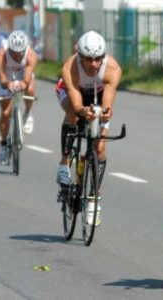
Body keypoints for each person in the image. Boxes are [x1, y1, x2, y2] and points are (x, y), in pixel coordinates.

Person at [54, 31, 122, 226]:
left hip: (98, 94)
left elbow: (107, 103)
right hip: (73, 92)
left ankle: (93, 198)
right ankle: (65, 161)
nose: (93, 64)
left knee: (99, 148)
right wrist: (83, 111)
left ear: (104, 56)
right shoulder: (70, 67)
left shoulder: (112, 69)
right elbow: (77, 105)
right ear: (80, 56)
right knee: (73, 115)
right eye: (88, 59)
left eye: (97, 59)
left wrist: (105, 113)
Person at [0, 30, 38, 165]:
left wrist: (22, 85)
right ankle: (3, 145)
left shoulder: (31, 55)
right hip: (7, 76)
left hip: (22, 75)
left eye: (20, 53)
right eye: (14, 53)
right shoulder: (1, 54)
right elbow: (2, 78)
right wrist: (8, 85)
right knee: (6, 112)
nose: (18, 56)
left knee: (30, 90)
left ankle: (28, 113)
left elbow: (26, 80)